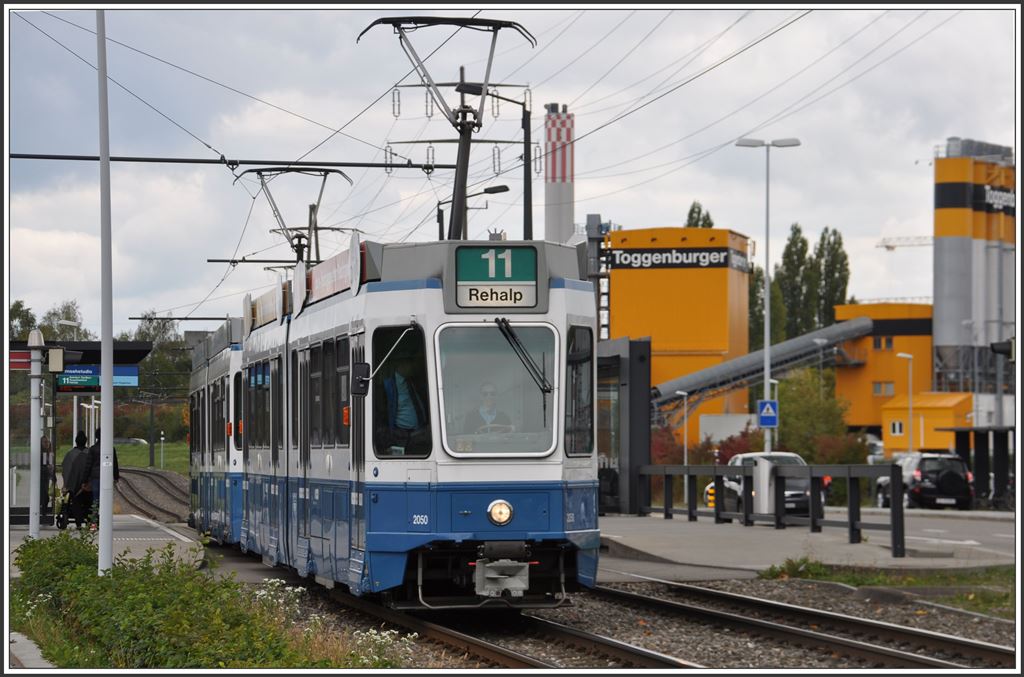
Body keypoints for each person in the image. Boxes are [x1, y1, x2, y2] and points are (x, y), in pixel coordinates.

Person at [381, 362, 427, 453]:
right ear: (401, 366)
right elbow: (383, 411)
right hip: (400, 435)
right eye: (409, 363)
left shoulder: (414, 382)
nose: (413, 368)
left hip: (419, 432)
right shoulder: (387, 385)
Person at [86, 428, 120, 527]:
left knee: (95, 500)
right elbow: (115, 464)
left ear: (96, 436)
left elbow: (88, 465)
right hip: (107, 478)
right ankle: (105, 521)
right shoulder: (111, 448)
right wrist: (116, 476)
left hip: (95, 477)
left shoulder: (92, 449)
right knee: (106, 499)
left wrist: (85, 479)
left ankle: (93, 522)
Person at [62, 431, 92, 528]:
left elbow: (66, 470)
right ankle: (90, 521)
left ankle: (78, 523)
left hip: (74, 486)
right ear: (86, 441)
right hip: (89, 485)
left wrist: (66, 485)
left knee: (76, 504)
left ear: (76, 441)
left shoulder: (70, 455)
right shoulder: (90, 453)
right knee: (89, 503)